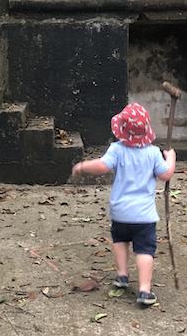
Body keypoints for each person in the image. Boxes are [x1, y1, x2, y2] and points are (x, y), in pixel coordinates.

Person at [71, 102, 176, 307]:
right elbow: (166, 175)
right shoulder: (154, 152)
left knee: (120, 241)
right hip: (144, 216)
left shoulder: (117, 149)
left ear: (121, 130)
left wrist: (83, 166)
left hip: (120, 212)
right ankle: (144, 290)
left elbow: (101, 166)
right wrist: (171, 158)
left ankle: (122, 275)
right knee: (144, 250)